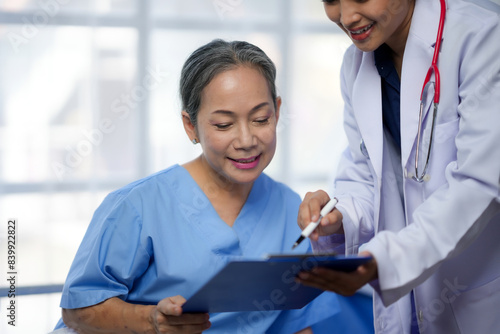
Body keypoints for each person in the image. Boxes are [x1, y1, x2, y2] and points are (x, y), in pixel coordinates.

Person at [53, 39, 345, 334]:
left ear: (277, 112)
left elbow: (297, 323)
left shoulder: (290, 209)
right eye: (223, 125)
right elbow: (77, 310)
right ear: (190, 125)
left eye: (260, 119)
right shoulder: (137, 206)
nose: (246, 140)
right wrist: (153, 321)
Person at [295, 0, 500, 333]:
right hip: (412, 301)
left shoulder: (483, 37)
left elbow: (479, 185)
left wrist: (388, 260)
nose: (347, 18)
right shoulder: (356, 64)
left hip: (480, 294)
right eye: (331, 0)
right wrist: (339, 217)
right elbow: (366, 175)